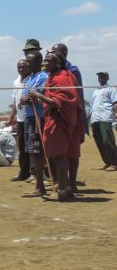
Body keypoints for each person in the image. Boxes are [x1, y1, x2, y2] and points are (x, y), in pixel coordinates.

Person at [29, 51, 85, 201]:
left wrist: (37, 95)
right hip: (53, 119)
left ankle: (62, 190)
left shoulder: (61, 78)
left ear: (58, 63)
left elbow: (57, 103)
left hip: (59, 120)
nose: (45, 63)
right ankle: (65, 188)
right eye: (45, 61)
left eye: (49, 61)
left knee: (59, 155)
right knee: (56, 155)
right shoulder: (53, 77)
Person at [50, 43, 87, 190]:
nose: (50, 56)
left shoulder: (71, 72)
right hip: (56, 116)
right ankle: (59, 182)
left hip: (71, 114)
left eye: (54, 53)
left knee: (72, 150)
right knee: (56, 150)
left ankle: (71, 183)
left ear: (62, 55)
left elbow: (73, 96)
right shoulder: (51, 73)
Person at [20, 50, 49, 198]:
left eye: (29, 61)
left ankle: (40, 186)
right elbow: (22, 98)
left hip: (38, 117)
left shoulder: (42, 77)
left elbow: (31, 96)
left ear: (39, 62)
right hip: (30, 116)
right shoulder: (31, 77)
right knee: (33, 151)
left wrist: (26, 98)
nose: (26, 63)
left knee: (38, 152)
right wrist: (24, 98)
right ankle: (39, 184)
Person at [8, 59, 31, 181]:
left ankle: (34, 173)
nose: (21, 69)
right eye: (19, 67)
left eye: (24, 67)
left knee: (31, 147)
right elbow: (14, 102)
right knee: (21, 147)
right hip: (20, 119)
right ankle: (23, 172)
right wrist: (10, 118)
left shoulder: (32, 80)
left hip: (30, 117)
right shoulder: (16, 81)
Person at [89, 72, 117, 171]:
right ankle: (107, 162)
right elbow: (93, 105)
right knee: (99, 141)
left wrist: (116, 113)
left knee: (107, 140)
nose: (101, 78)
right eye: (100, 76)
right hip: (95, 119)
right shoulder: (96, 90)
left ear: (107, 78)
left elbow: (115, 102)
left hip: (105, 117)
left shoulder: (111, 89)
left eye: (103, 76)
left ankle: (115, 162)